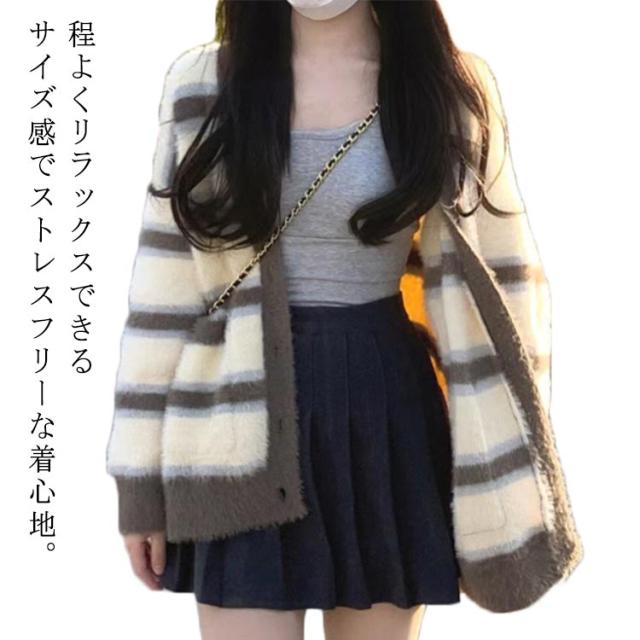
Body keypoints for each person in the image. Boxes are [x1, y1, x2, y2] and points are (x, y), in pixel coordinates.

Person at [106, 1, 583, 638]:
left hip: (385, 418)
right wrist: (139, 483)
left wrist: (513, 465)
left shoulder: (448, 88)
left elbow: (510, 287)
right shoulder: (202, 85)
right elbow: (163, 292)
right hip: (235, 425)